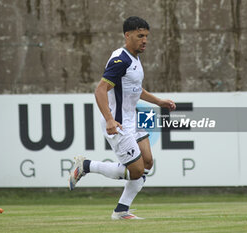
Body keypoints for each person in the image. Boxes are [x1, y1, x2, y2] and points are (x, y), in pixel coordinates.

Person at [68, 16, 176, 220]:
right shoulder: (120, 60)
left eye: (146, 36)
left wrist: (159, 101)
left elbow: (136, 89)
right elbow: (100, 90)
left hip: (131, 119)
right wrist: (109, 119)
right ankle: (86, 166)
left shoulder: (134, 58)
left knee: (147, 163)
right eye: (140, 36)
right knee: (136, 171)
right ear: (127, 35)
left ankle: (121, 211)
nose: (144, 40)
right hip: (118, 123)